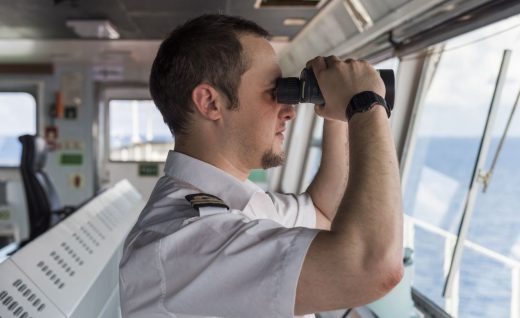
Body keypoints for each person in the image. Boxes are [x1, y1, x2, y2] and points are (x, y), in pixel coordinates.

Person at [119, 14, 403, 318]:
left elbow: (324, 213)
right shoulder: (185, 240)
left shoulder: (235, 201)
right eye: (274, 92)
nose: (289, 112)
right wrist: (366, 104)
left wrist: (338, 115)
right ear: (210, 103)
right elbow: (373, 268)